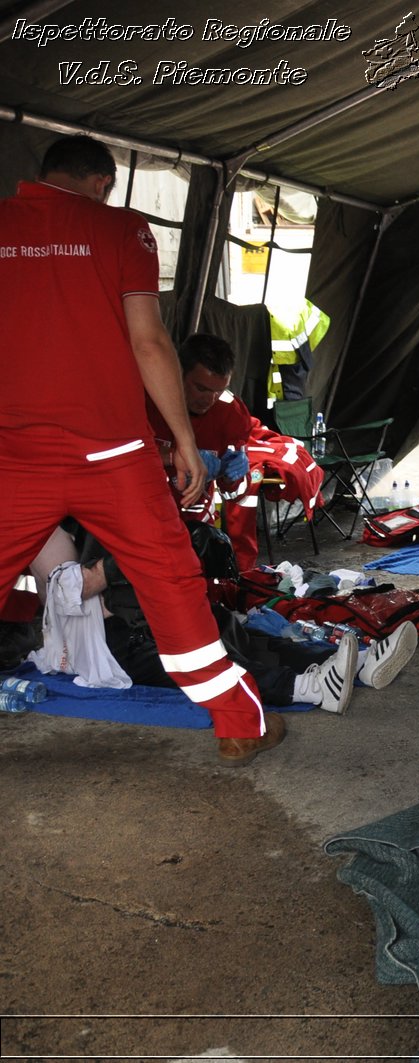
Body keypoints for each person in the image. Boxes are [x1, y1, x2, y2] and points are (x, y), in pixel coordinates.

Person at [0, 134, 282, 765]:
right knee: (172, 584)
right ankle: (239, 723)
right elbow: (150, 342)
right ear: (102, 184)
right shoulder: (123, 230)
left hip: (13, 457)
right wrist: (184, 439)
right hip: (113, 456)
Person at [26, 525, 417, 715]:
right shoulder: (39, 522)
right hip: (115, 643)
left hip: (145, 612)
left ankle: (362, 666)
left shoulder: (86, 502)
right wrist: (131, 559)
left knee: (238, 634)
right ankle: (311, 688)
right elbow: (76, 588)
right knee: (211, 664)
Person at [144, 334, 262, 567]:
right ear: (178, 373)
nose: (210, 399)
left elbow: (236, 494)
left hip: (195, 525)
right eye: (201, 388)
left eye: (218, 391)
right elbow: (116, 457)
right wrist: (174, 457)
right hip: (144, 518)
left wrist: (233, 477)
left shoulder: (231, 412)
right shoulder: (144, 400)